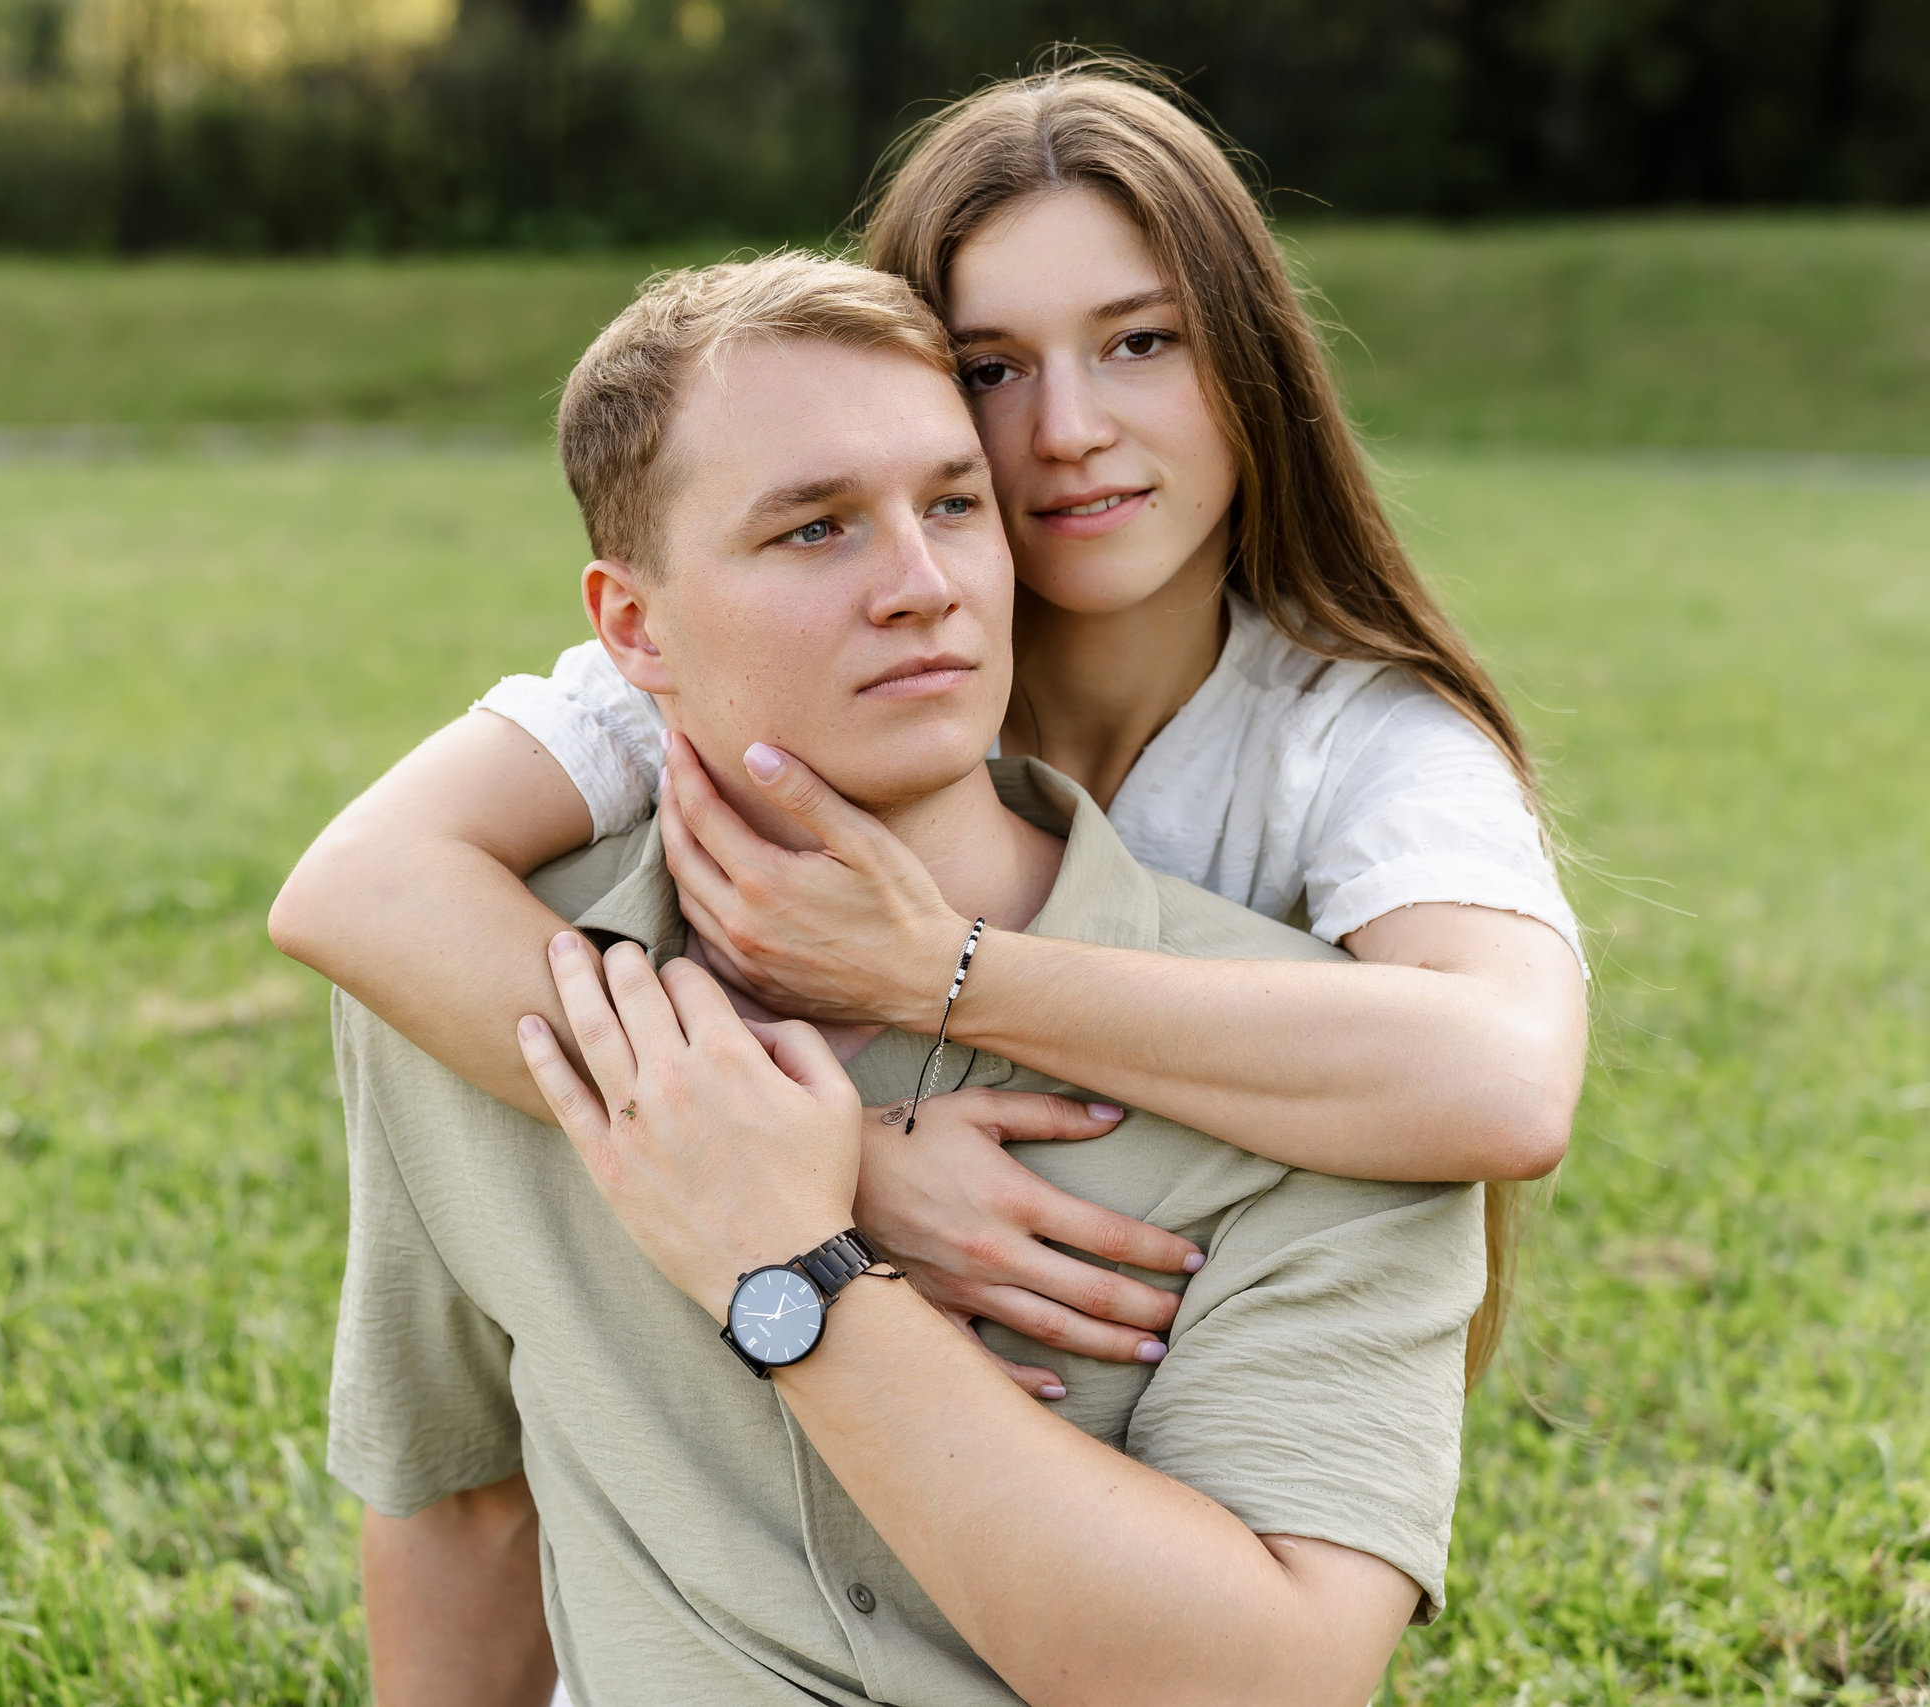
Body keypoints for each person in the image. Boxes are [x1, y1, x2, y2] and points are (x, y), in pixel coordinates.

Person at [270, 61, 1586, 1405]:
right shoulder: (817, 657)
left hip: (1185, 1397)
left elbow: (1509, 1081)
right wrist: (840, 1168)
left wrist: (937, 969)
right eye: (990, 368)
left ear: (1248, 360)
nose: (1069, 432)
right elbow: (362, 884)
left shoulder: (1354, 738)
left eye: (1142, 341)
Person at [305, 252, 1483, 1707]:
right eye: (814, 530)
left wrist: (792, 1262)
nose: (921, 588)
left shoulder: (1320, 1081)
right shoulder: (470, 986)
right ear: (633, 630)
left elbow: (1268, 1683)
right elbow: (464, 1507)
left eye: (952, 506)